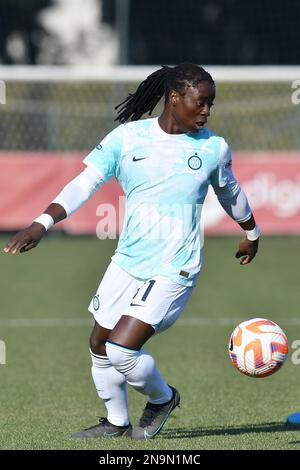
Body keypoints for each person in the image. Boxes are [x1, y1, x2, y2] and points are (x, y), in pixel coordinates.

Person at [3, 63, 260, 440]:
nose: (206, 112)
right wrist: (42, 222)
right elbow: (85, 182)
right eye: (200, 103)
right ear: (174, 98)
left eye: (211, 105)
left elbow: (230, 193)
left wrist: (251, 232)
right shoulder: (127, 138)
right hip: (128, 260)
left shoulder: (213, 148)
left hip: (176, 266)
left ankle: (163, 397)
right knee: (98, 342)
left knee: (121, 349)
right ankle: (117, 422)